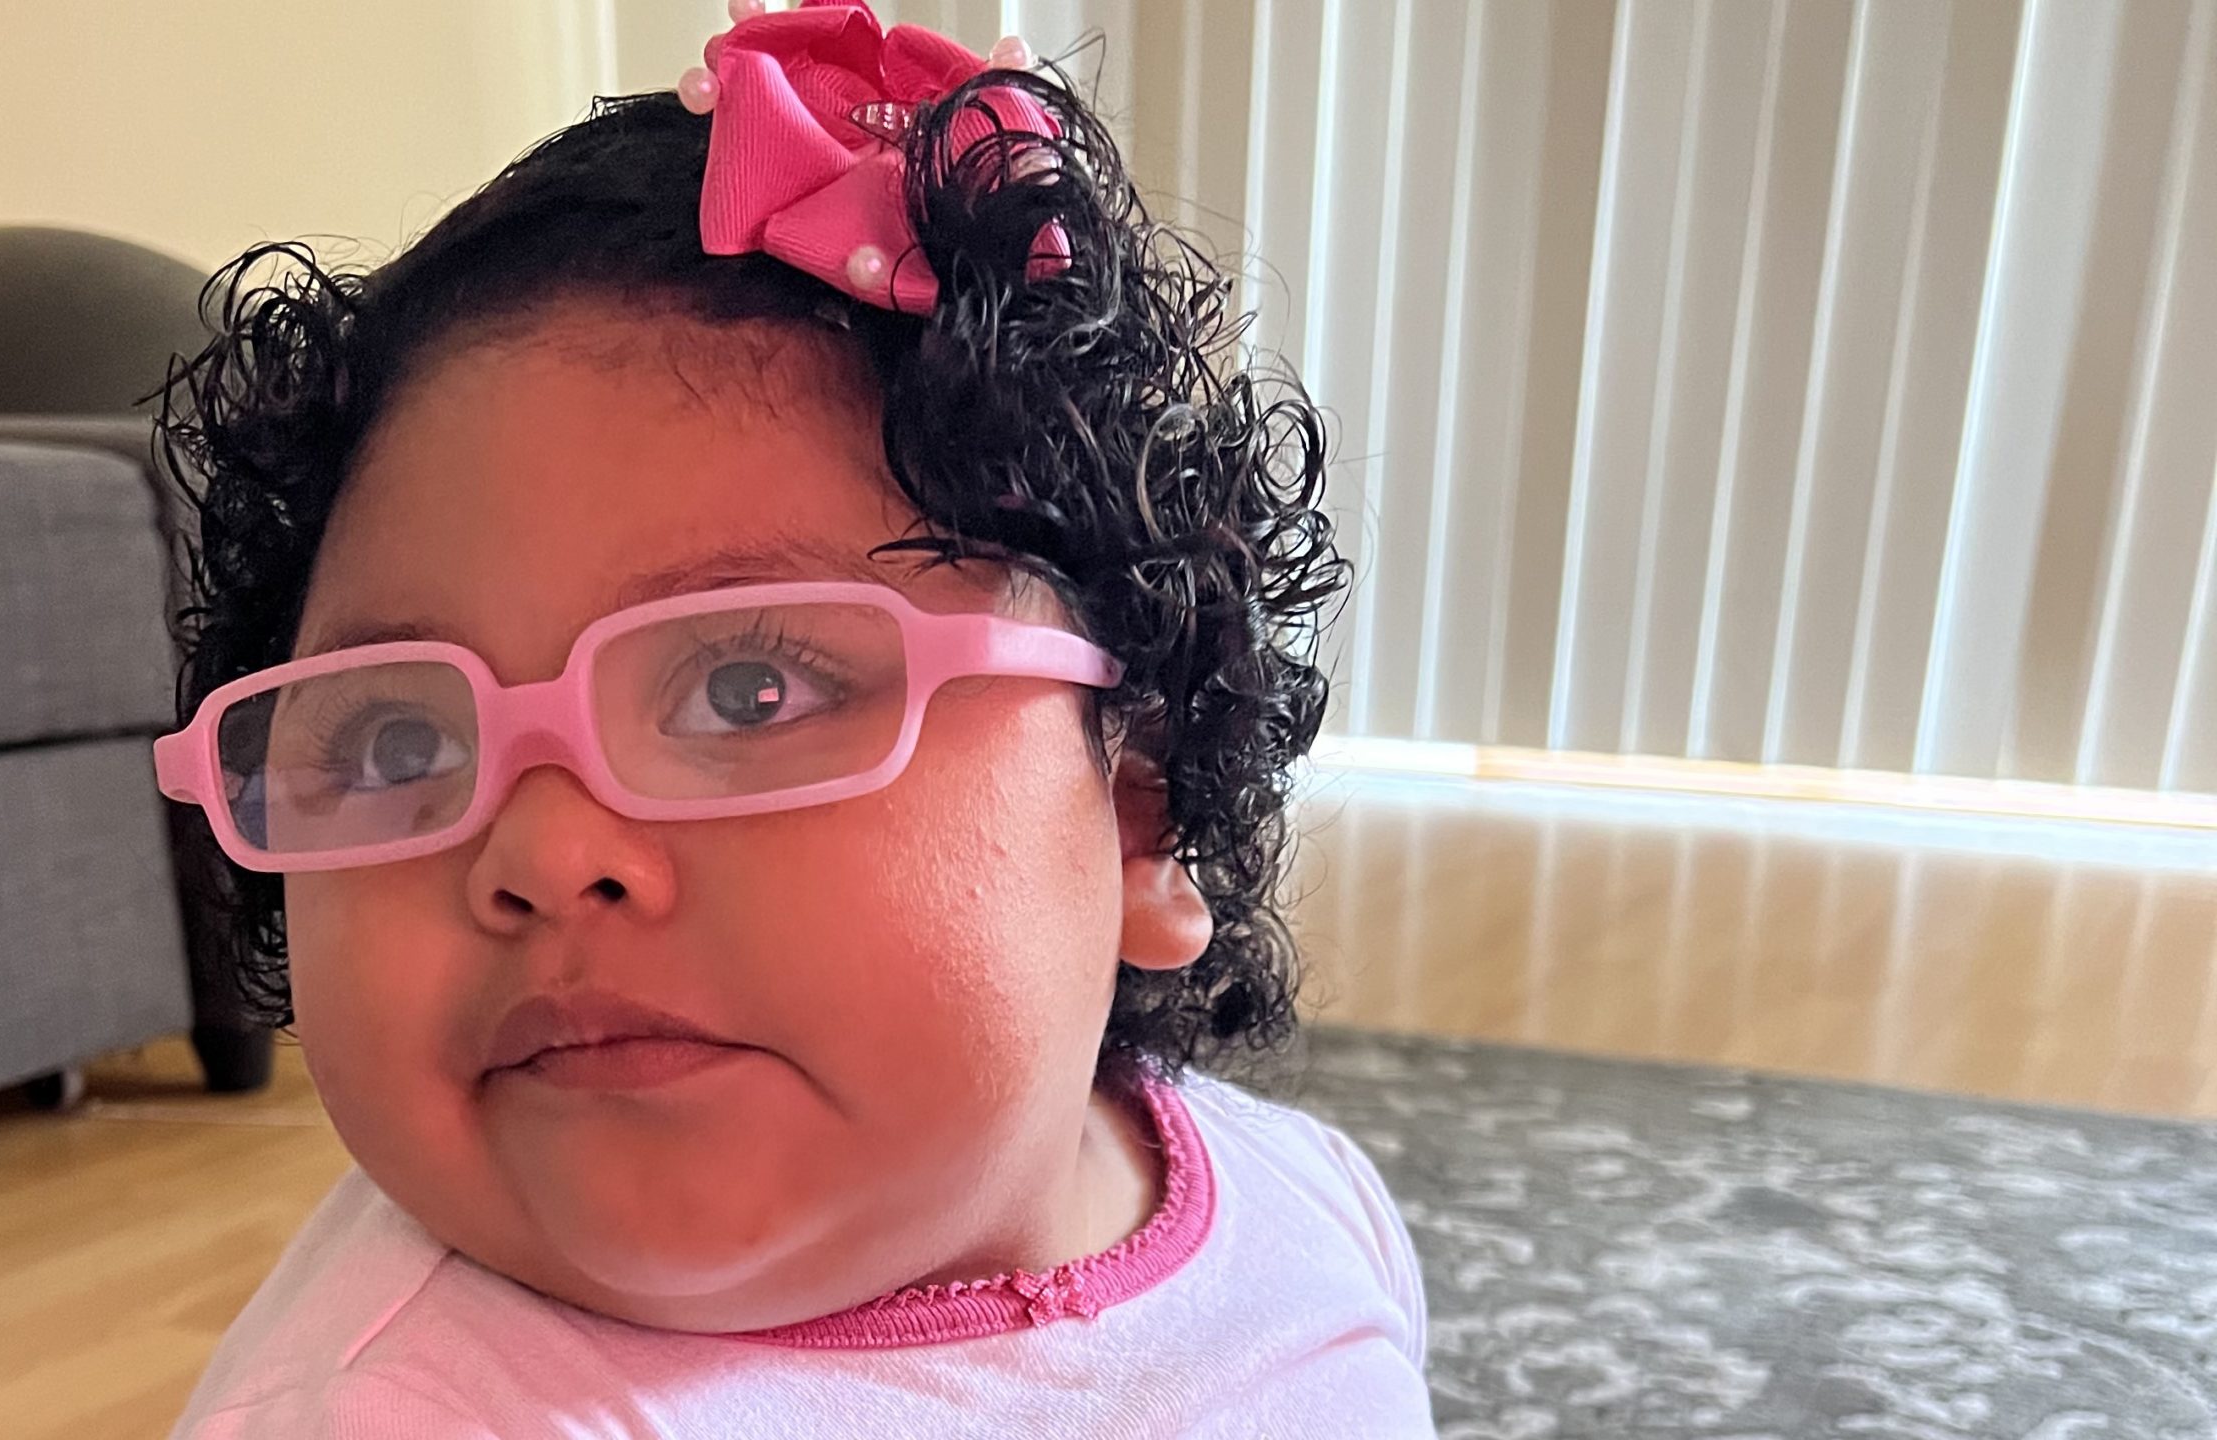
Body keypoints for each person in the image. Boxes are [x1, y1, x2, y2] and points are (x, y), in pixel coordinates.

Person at [155, 2, 1431, 1432]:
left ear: (1139, 801)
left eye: (749, 691)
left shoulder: (1307, 1222)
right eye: (399, 744)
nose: (546, 847)